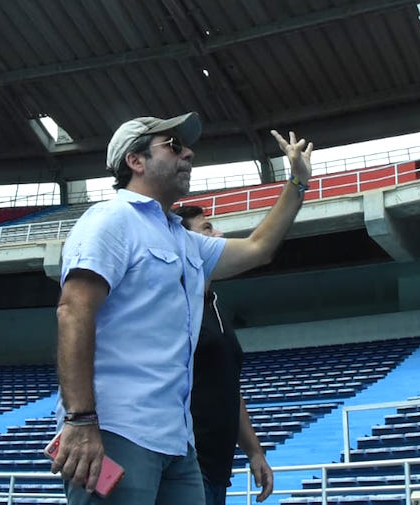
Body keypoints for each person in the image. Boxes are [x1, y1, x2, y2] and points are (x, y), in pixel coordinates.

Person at [51, 113, 312, 505]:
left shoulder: (185, 240)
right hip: (117, 431)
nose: (188, 153)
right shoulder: (110, 220)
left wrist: (297, 183)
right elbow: (73, 311)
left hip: (178, 441)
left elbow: (259, 248)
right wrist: (81, 420)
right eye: (172, 146)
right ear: (135, 162)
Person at [174, 205, 274, 504]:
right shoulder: (175, 306)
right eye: (207, 229)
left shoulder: (215, 305)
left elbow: (229, 386)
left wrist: (254, 451)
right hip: (185, 464)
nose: (219, 235)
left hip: (218, 468)